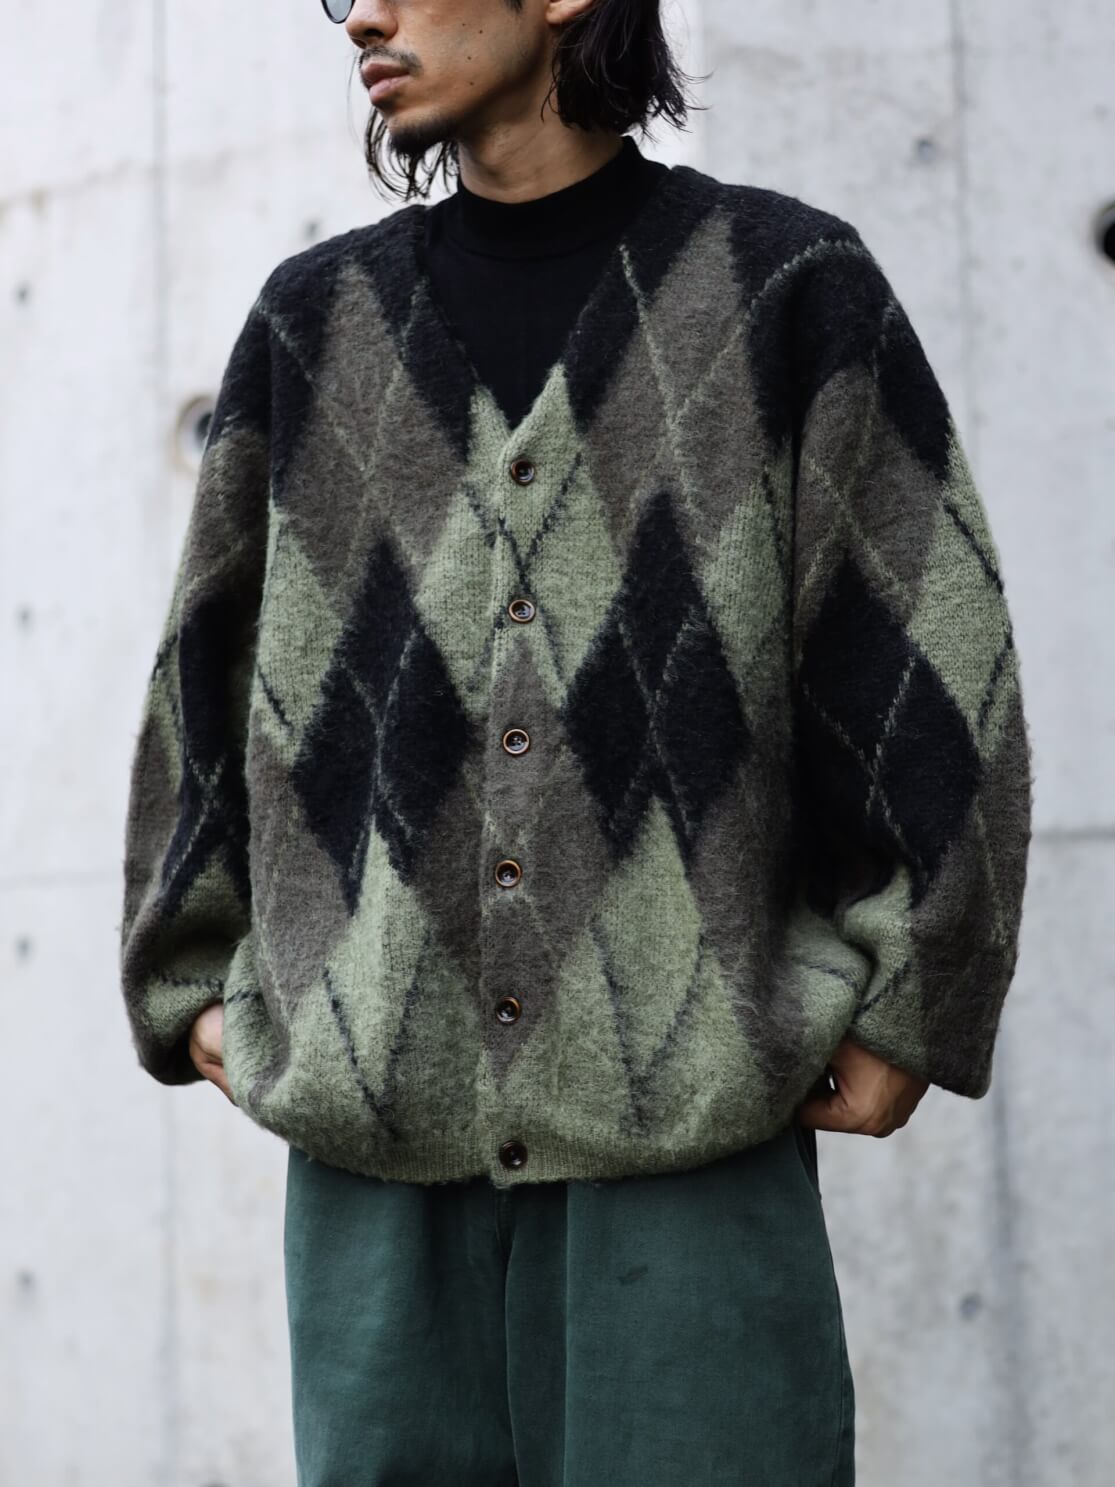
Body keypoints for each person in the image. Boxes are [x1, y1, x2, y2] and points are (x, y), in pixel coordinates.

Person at [117, 1, 1034, 1482]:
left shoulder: (785, 293)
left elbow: (934, 660)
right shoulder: (314, 329)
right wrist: (203, 996)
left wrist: (911, 1001)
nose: (361, 14)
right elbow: (200, 690)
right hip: (376, 1181)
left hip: (691, 1163)